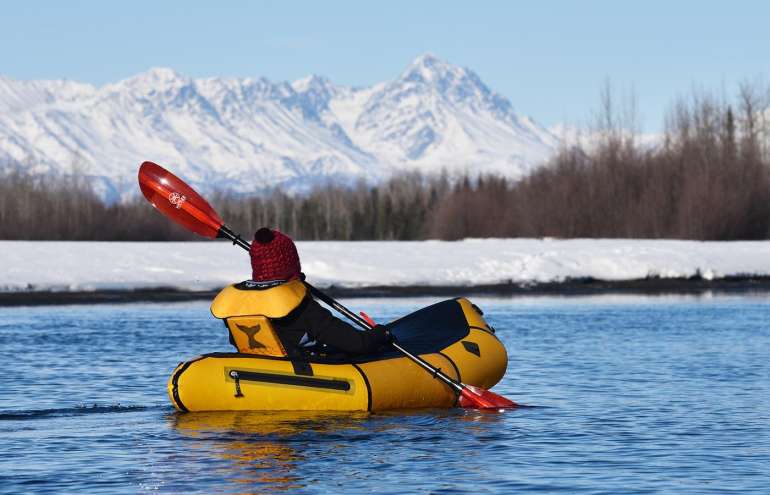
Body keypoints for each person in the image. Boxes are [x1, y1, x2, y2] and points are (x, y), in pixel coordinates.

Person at [243, 227, 392, 357]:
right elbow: (358, 344)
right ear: (291, 264)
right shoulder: (300, 307)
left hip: (257, 371)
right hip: (300, 375)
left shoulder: (244, 305)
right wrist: (381, 333)